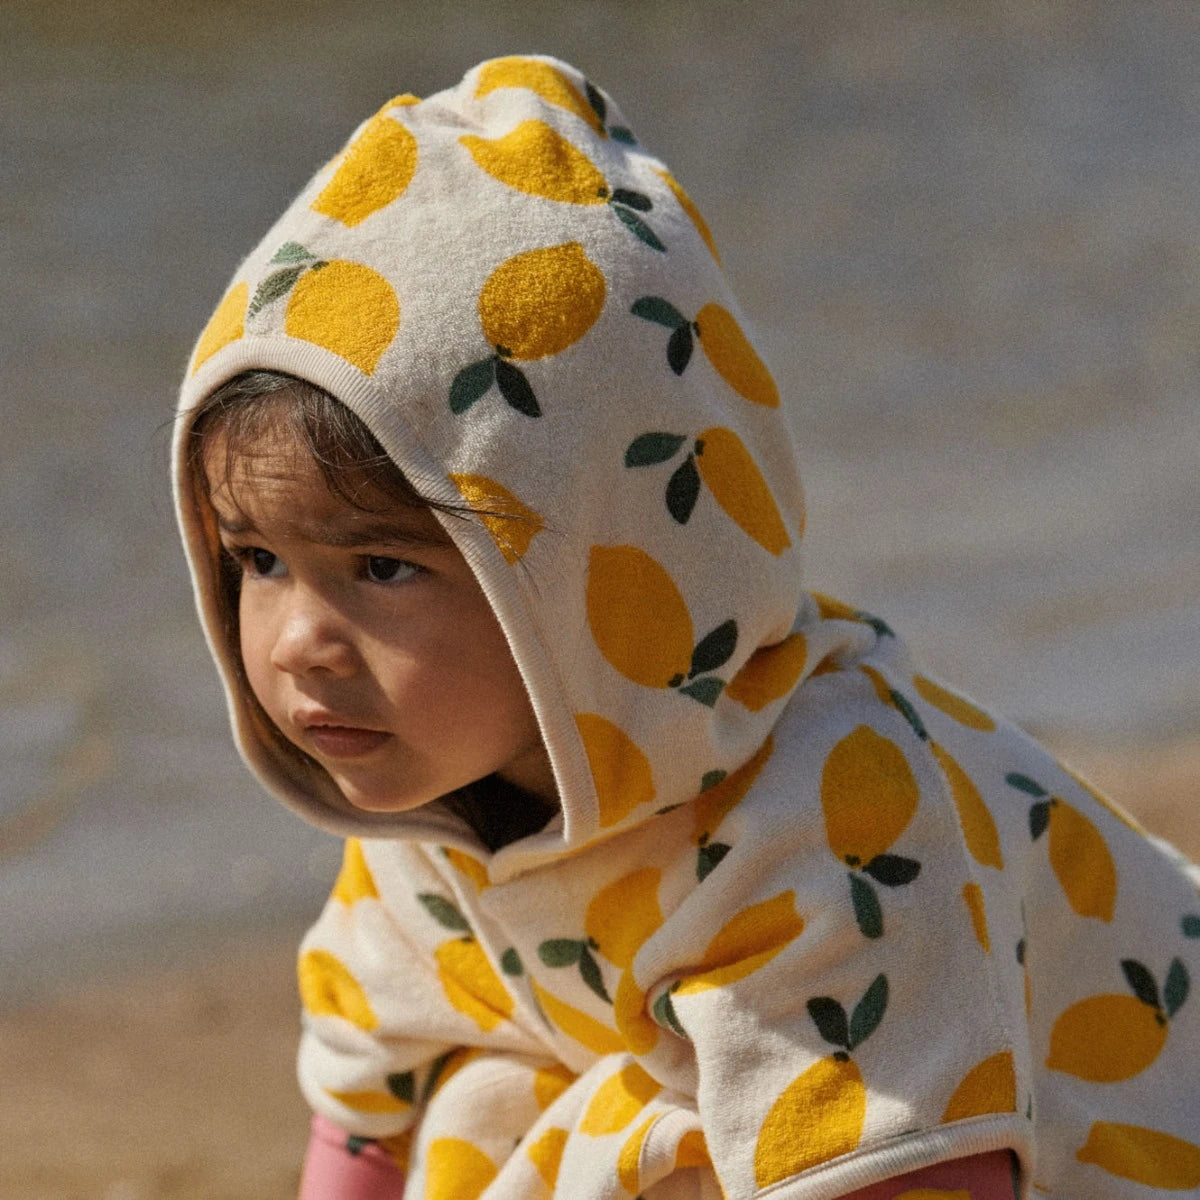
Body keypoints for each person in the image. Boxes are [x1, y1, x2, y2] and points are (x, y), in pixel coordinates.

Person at [173, 55, 1200, 1200]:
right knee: (477, 1100)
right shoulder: (422, 831)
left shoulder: (827, 817)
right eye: (259, 560)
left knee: (686, 1147)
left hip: (1107, 1151)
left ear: (587, 557)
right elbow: (366, 1111)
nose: (299, 641)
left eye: (380, 566)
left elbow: (926, 1165)